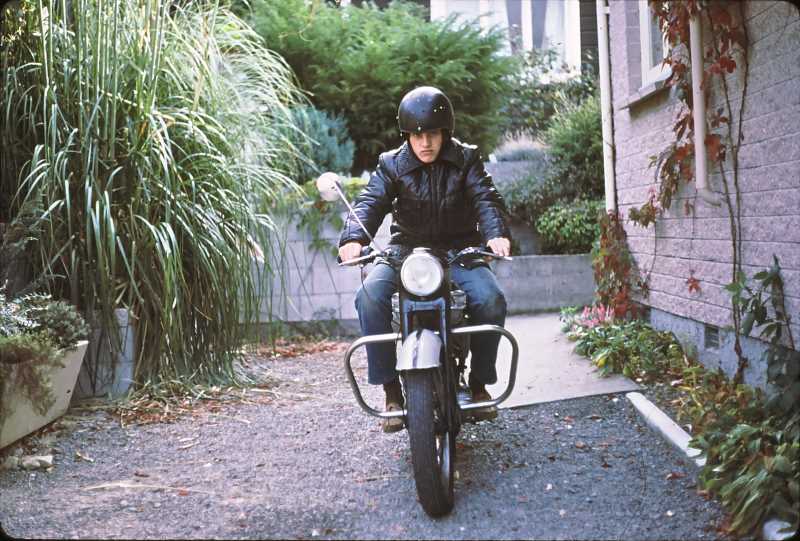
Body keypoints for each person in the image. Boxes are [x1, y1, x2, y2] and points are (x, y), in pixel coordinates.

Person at [338, 86, 511, 432]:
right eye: (417, 135)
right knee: (369, 297)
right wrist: (353, 237)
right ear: (407, 135)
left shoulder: (466, 159)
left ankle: (479, 384)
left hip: (459, 251)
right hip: (406, 252)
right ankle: (391, 392)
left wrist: (495, 233)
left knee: (491, 299)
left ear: (445, 132)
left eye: (432, 133)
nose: (425, 142)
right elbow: (371, 201)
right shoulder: (391, 164)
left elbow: (486, 197)